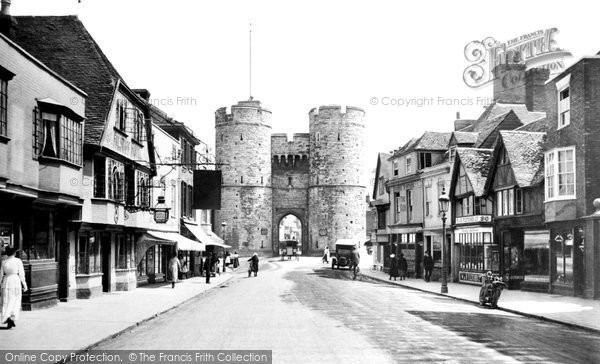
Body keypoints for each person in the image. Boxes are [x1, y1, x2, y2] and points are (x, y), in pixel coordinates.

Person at [0, 246, 28, 329]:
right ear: (14, 253)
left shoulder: (4, 262)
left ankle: (7, 317)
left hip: (7, 281)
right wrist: (24, 285)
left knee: (6, 300)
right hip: (15, 281)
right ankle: (12, 317)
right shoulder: (18, 261)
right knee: (15, 300)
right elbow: (22, 274)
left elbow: (1, 274)